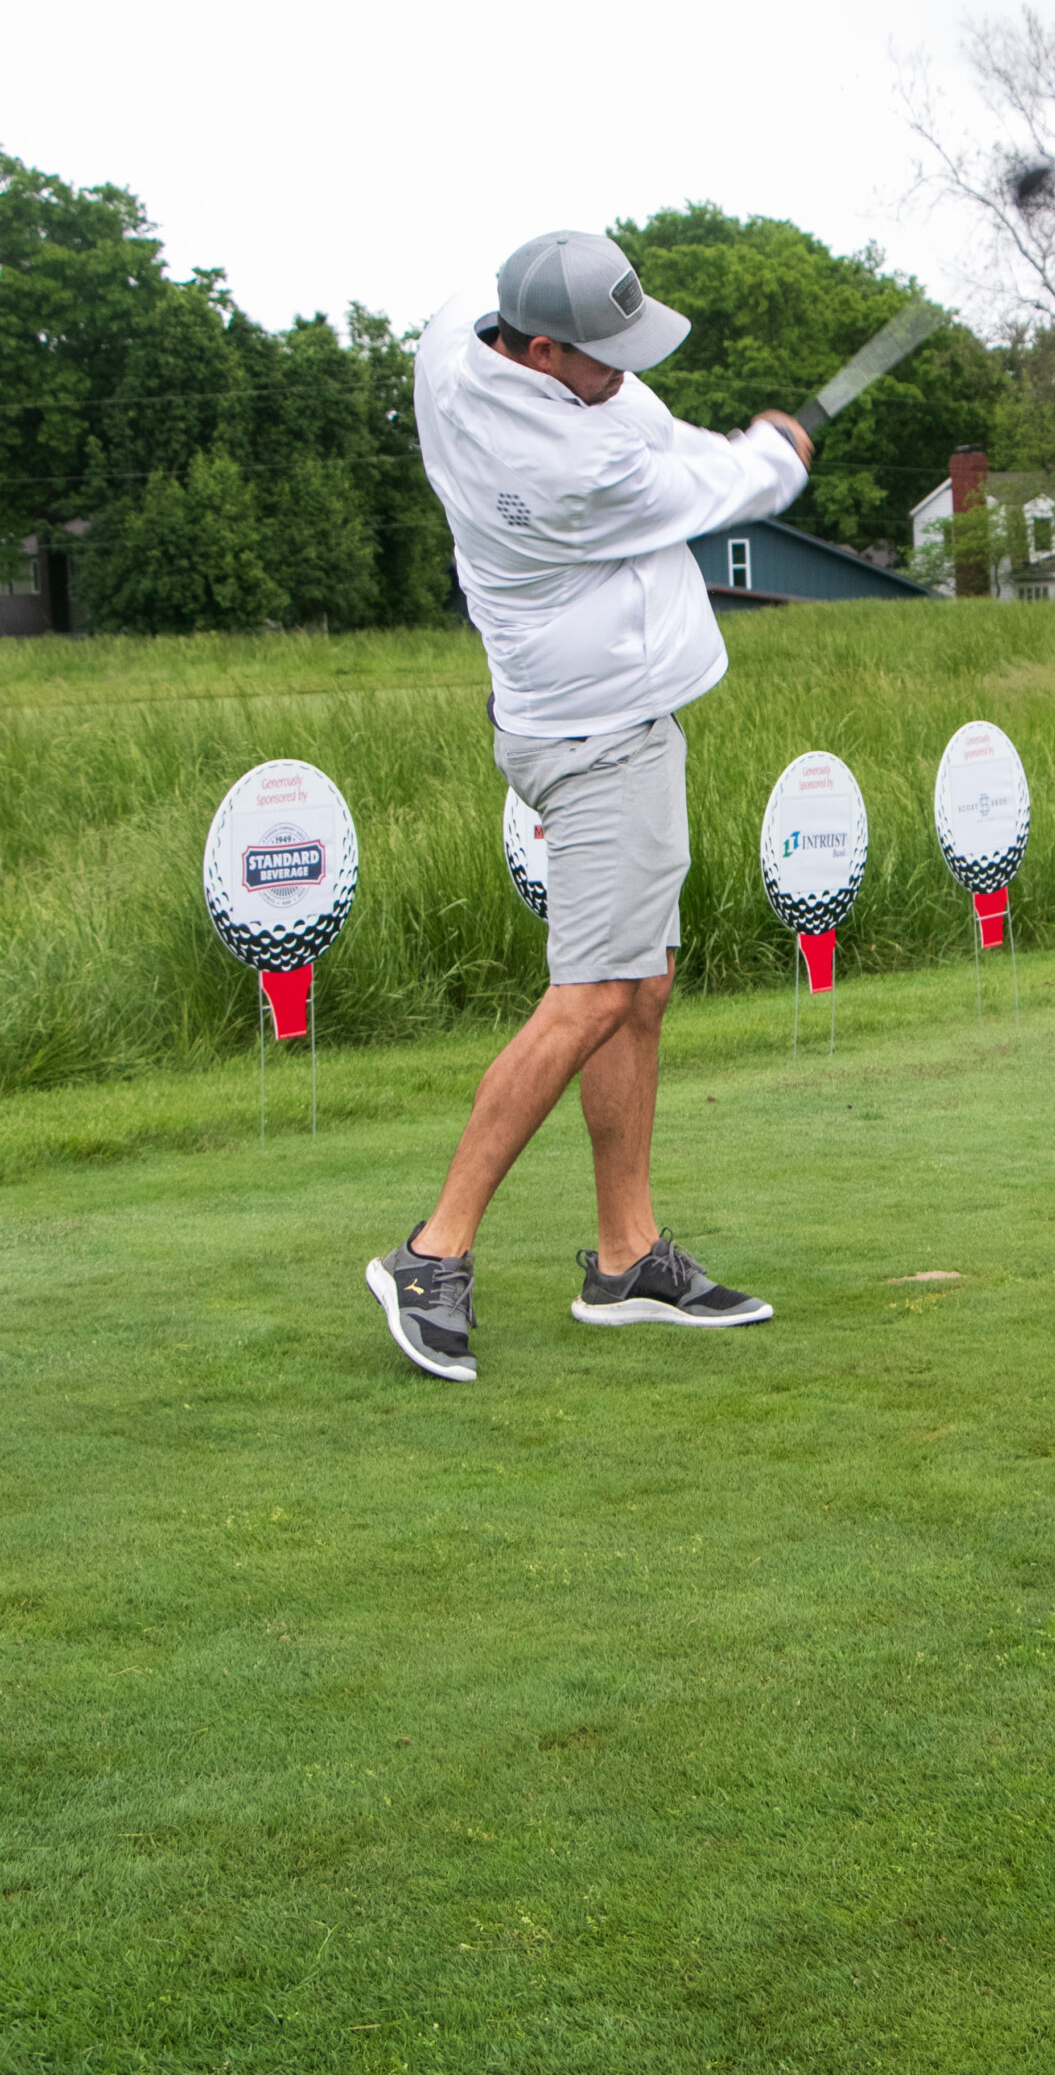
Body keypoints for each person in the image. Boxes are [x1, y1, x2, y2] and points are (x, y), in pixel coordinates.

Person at [366, 229, 812, 1383]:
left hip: (578, 720)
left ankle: (627, 1256)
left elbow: (641, 420)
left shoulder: (462, 337)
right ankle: (432, 1251)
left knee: (639, 983)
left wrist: (731, 439)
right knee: (597, 993)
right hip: (599, 738)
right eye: (603, 355)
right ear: (542, 351)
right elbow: (712, 486)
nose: (624, 371)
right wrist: (774, 453)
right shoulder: (568, 473)